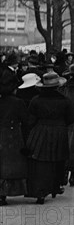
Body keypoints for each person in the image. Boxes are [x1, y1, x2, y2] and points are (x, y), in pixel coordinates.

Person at [26, 72, 74, 204]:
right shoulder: (65, 100)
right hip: (59, 131)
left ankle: (40, 192)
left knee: (41, 162)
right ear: (57, 86)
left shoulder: (36, 100)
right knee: (57, 160)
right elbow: (71, 118)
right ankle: (55, 187)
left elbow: (30, 119)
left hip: (40, 131)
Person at [0, 70, 30, 206]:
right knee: (11, 165)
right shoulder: (18, 103)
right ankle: (8, 191)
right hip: (13, 136)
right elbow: (26, 120)